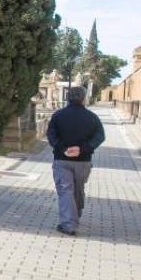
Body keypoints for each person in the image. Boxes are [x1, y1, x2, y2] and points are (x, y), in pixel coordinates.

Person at [46, 86, 105, 235]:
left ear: (68, 97)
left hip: (62, 159)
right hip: (84, 161)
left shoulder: (58, 116)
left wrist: (62, 148)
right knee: (78, 189)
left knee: (66, 190)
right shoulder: (92, 117)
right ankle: (74, 216)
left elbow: (51, 135)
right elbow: (100, 136)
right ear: (83, 98)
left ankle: (69, 224)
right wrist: (82, 149)